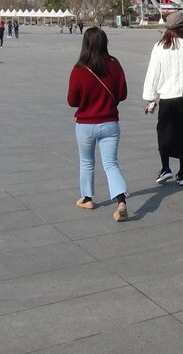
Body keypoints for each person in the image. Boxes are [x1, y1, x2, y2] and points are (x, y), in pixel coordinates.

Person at [67, 27, 130, 222]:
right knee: (111, 164)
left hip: (85, 124)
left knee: (86, 162)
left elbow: (72, 100)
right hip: (110, 122)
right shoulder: (114, 64)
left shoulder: (79, 68)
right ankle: (121, 201)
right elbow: (123, 94)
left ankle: (87, 198)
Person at [142, 11, 183, 186]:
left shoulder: (159, 47)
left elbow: (153, 74)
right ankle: (182, 173)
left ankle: (165, 168)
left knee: (164, 134)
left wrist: (151, 100)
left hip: (166, 98)